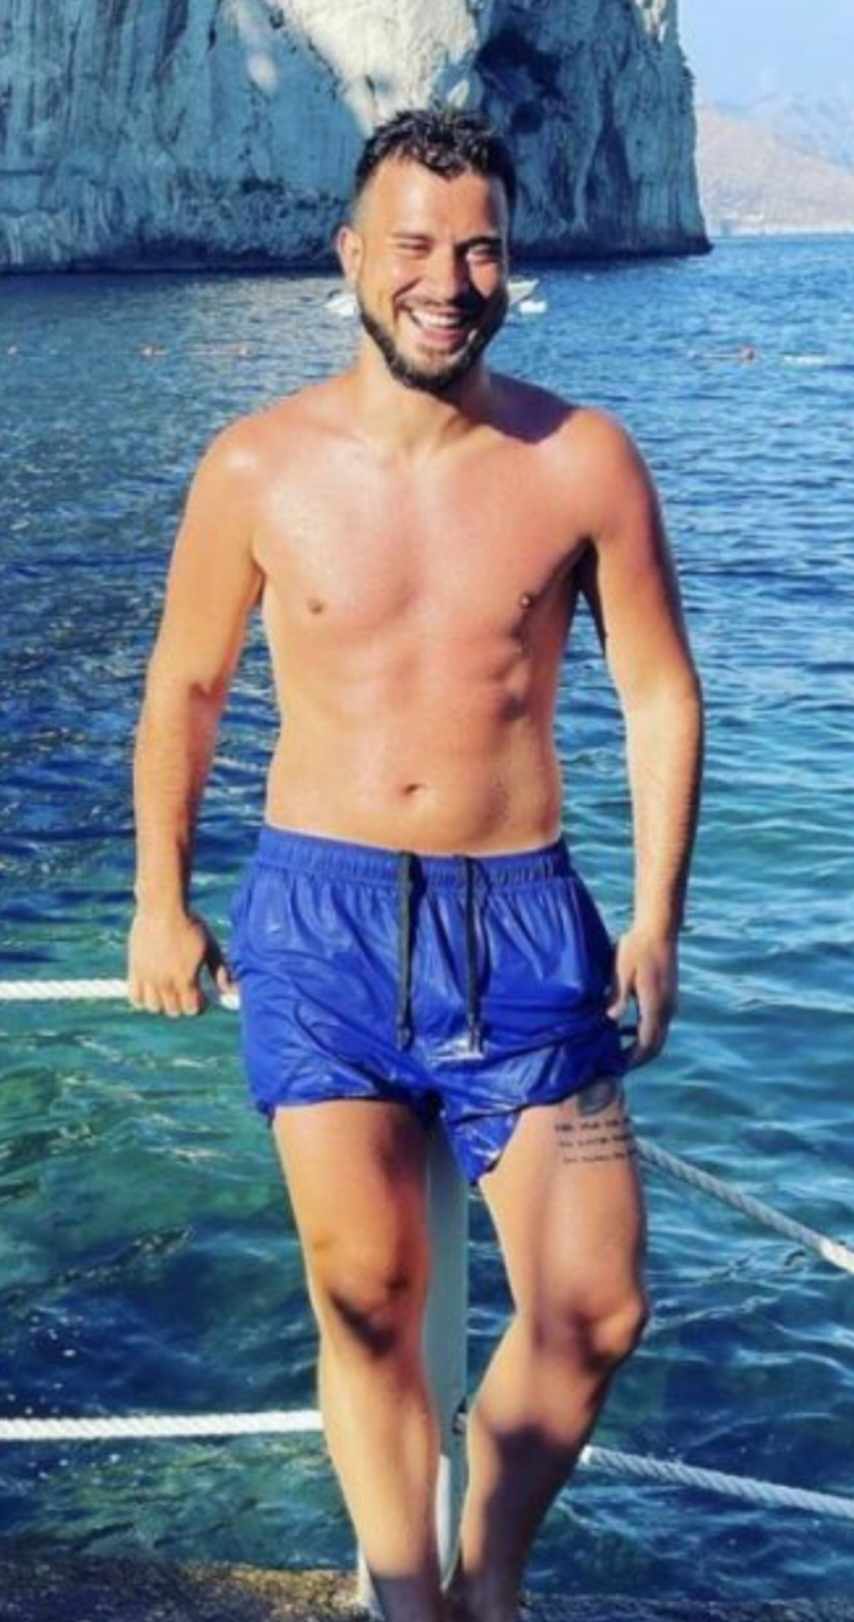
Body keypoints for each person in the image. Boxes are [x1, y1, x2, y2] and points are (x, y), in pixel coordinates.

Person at [128, 107, 703, 1622]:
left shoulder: (582, 459)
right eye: (413, 246)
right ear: (351, 257)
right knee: (371, 1303)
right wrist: (157, 897)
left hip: (526, 924)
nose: (446, 282)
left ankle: (486, 1577)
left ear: (511, 262)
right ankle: (407, 1599)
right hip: (317, 920)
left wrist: (655, 917)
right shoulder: (256, 464)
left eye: (480, 249)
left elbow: (658, 691)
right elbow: (186, 685)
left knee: (596, 1305)